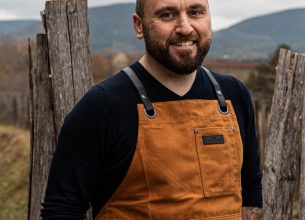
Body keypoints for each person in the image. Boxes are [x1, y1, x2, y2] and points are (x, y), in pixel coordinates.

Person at [41, 0, 262, 219]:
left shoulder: (234, 95)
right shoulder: (103, 106)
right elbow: (61, 210)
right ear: (139, 26)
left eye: (195, 12)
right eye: (167, 15)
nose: (185, 28)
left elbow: (250, 192)